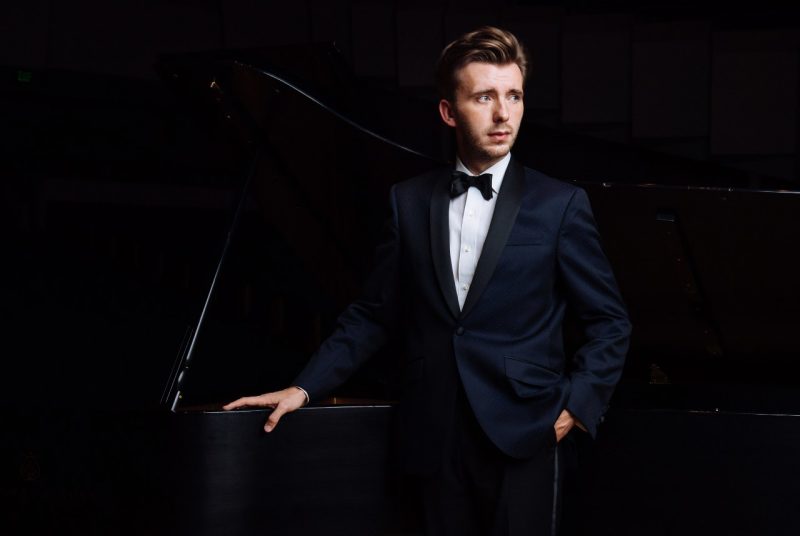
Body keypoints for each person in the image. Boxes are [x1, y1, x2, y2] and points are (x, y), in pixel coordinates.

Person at [224, 26, 631, 535]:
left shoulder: (561, 205)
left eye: (514, 95)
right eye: (485, 97)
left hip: (526, 434)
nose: (504, 114)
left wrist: (575, 407)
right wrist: (304, 387)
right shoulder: (408, 201)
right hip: (431, 436)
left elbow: (610, 322)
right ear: (448, 111)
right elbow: (374, 314)